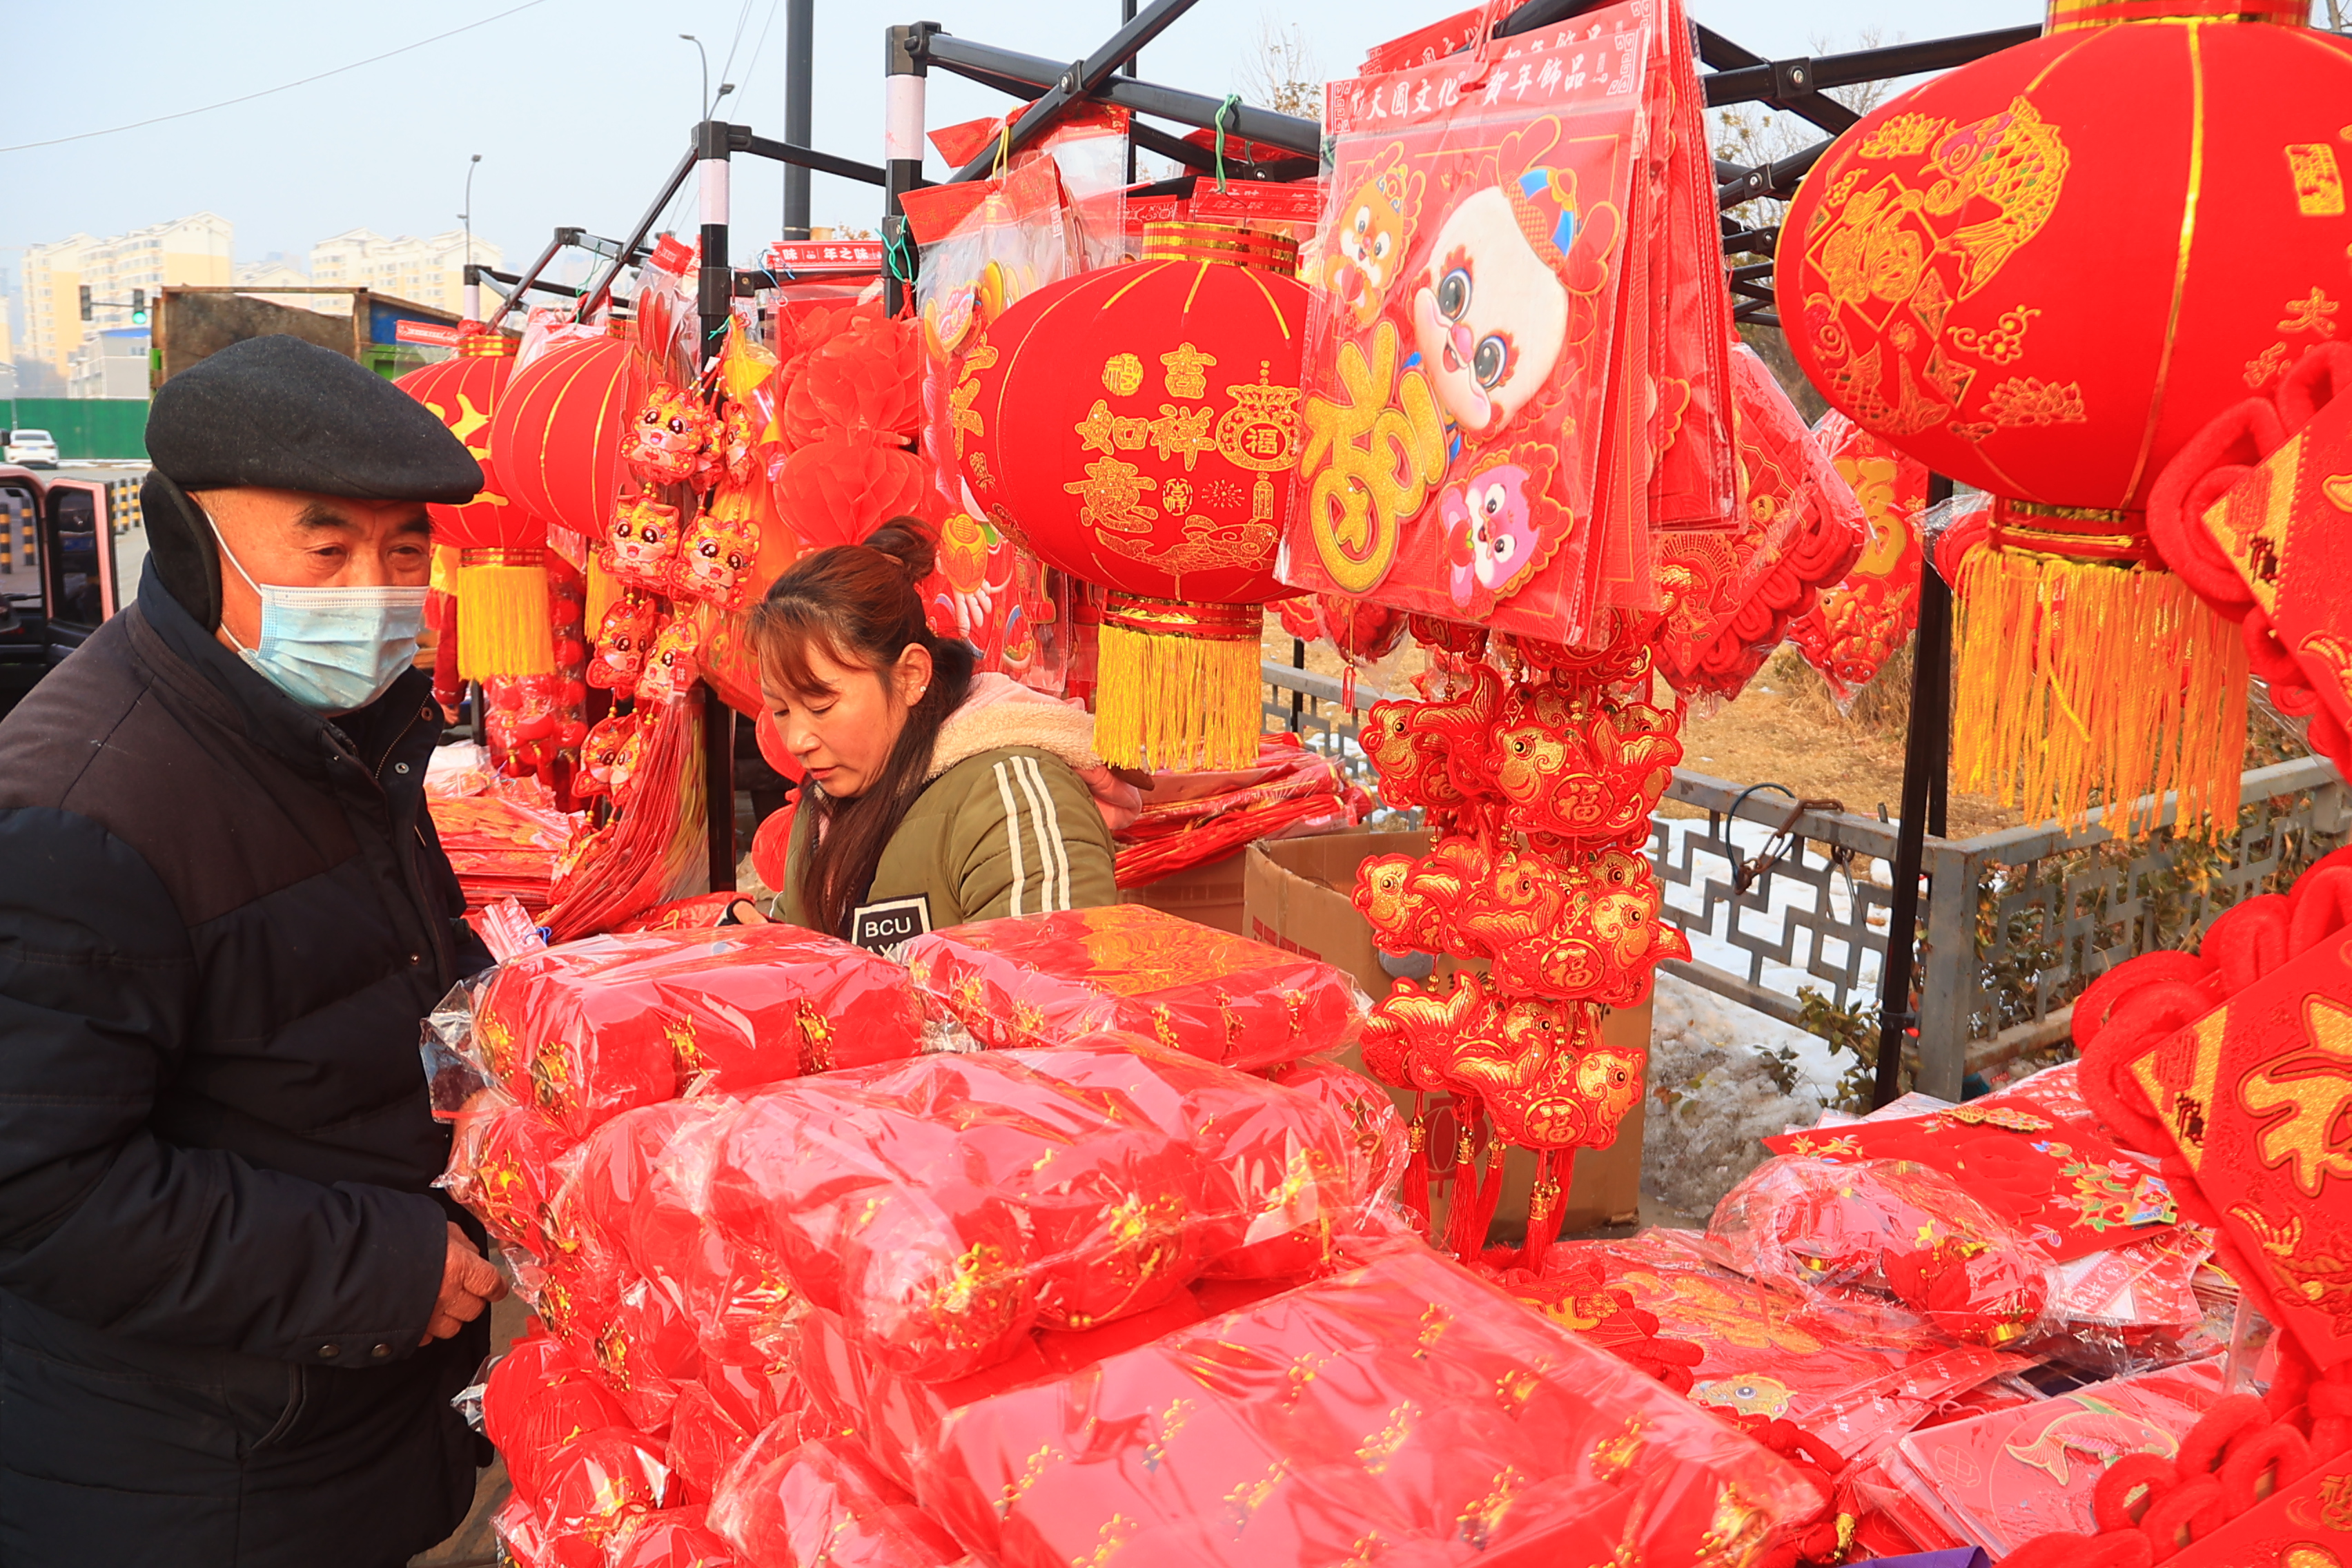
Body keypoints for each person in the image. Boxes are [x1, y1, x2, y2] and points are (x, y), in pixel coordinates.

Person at [0, 335, 508, 1566]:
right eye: (324, 549)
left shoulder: (338, 730)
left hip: (345, 1429)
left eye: (402, 551)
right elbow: (40, 1189)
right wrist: (378, 1267)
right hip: (192, 1474)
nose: (372, 588)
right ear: (187, 541)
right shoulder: (80, 806)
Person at [753, 520, 1135, 947]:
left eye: (821, 706)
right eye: (782, 710)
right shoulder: (824, 806)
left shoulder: (1010, 795)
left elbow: (1049, 982)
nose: (797, 741)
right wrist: (760, 944)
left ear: (910, 676)